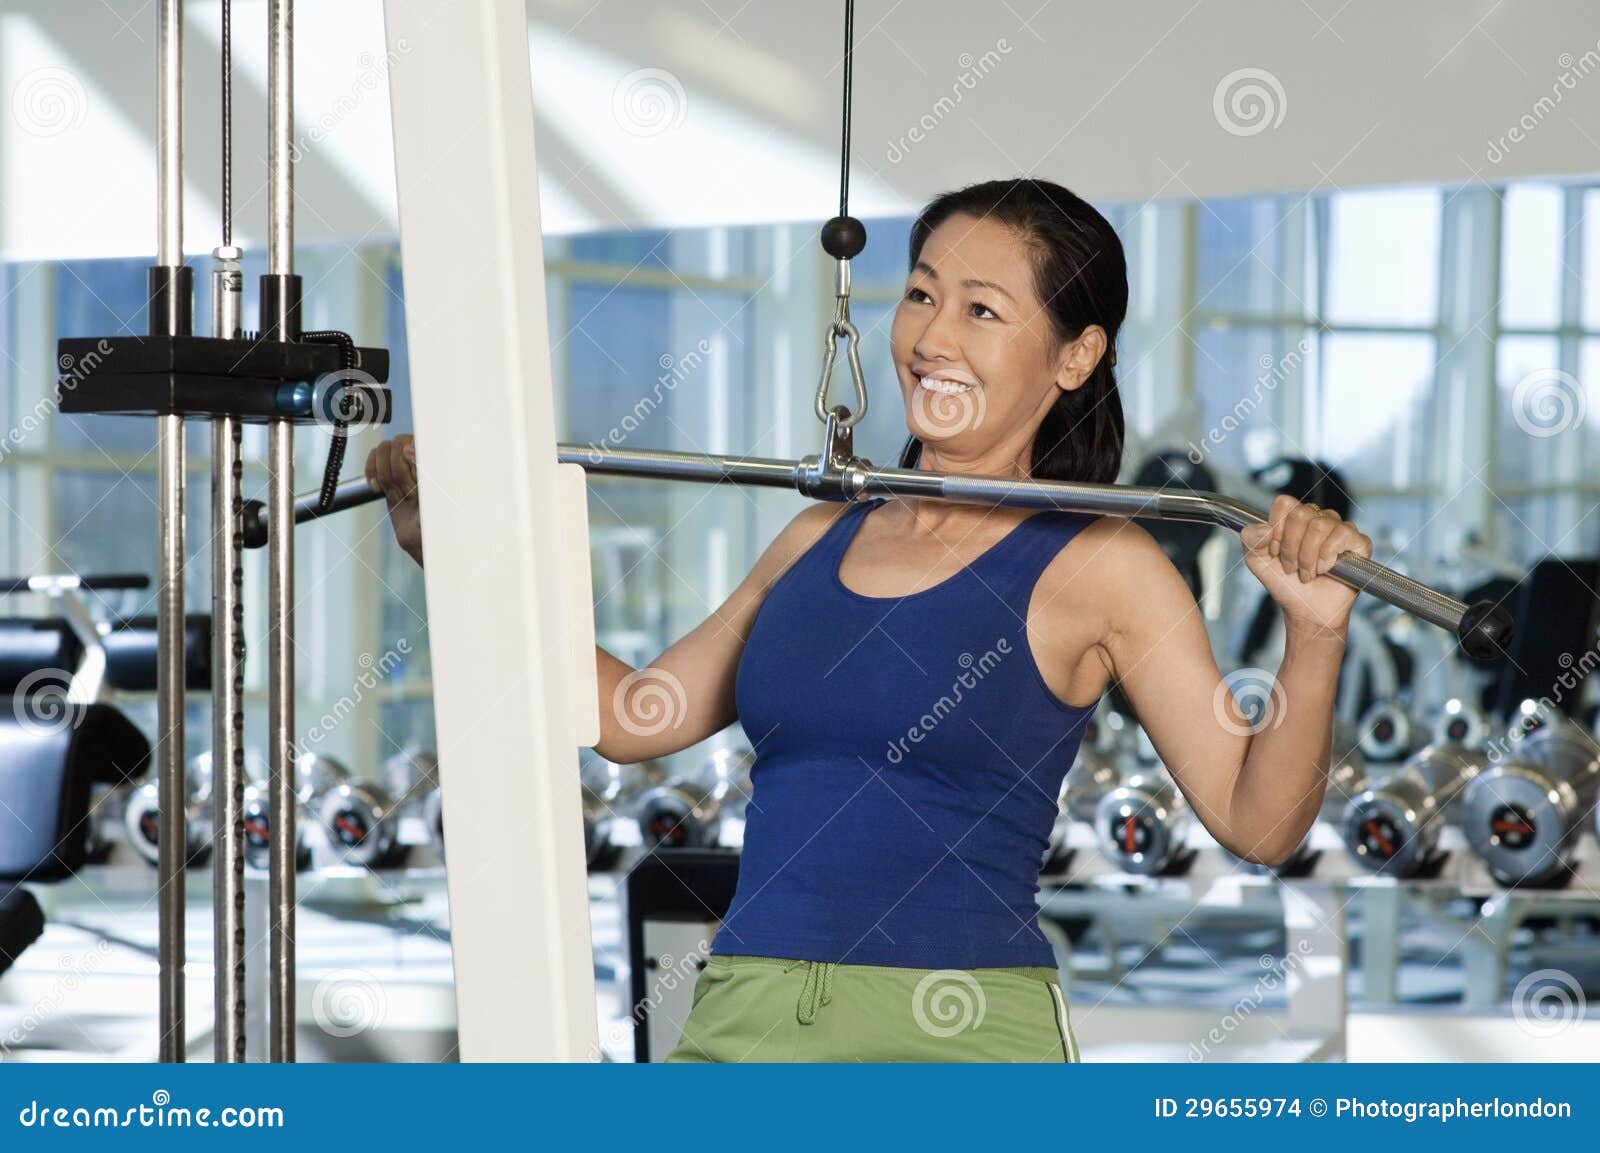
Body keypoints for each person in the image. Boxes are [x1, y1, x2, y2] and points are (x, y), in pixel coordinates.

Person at [365, 178, 1371, 1063]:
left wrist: (1315, 634)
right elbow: (632, 716)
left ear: (1075, 355)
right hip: (744, 1014)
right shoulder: (817, 537)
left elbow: (1258, 823)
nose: (930, 337)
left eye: (982, 310)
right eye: (922, 293)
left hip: (963, 1036)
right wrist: (453, 555)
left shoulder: (1104, 563)